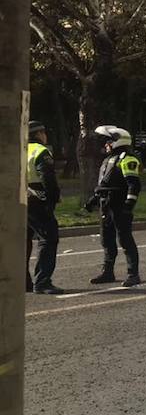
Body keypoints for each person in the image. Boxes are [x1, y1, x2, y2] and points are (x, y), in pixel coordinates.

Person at [84, 125, 143, 287]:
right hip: (106, 205)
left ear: (118, 141)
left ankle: (133, 274)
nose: (105, 145)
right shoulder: (107, 160)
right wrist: (93, 200)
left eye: (108, 142)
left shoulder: (128, 159)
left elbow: (134, 185)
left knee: (125, 239)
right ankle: (107, 272)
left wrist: (129, 205)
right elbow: (104, 184)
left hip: (119, 205)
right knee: (107, 240)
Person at [26, 121, 63, 294]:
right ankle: (42, 281)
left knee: (23, 242)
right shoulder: (41, 151)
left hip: (19, 202)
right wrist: (53, 200)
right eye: (44, 132)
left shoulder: (18, 149)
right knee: (48, 239)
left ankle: (23, 281)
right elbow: (48, 179)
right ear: (39, 134)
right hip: (38, 202)